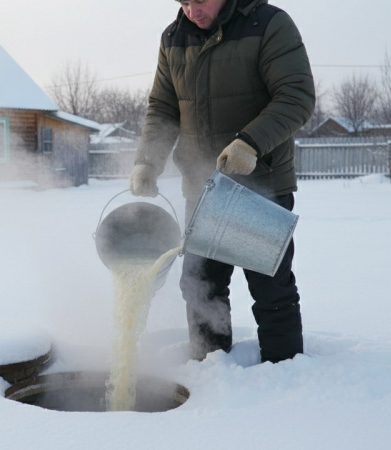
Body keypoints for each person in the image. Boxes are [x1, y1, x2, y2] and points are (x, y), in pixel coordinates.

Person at [129, 0, 315, 363]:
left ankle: (286, 373)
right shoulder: (174, 38)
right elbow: (163, 108)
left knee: (270, 287)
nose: (191, 12)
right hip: (202, 187)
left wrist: (251, 142)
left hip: (260, 184)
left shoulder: (268, 24)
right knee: (201, 286)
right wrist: (147, 162)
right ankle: (210, 368)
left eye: (199, 1)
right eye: (183, 3)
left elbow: (296, 96)